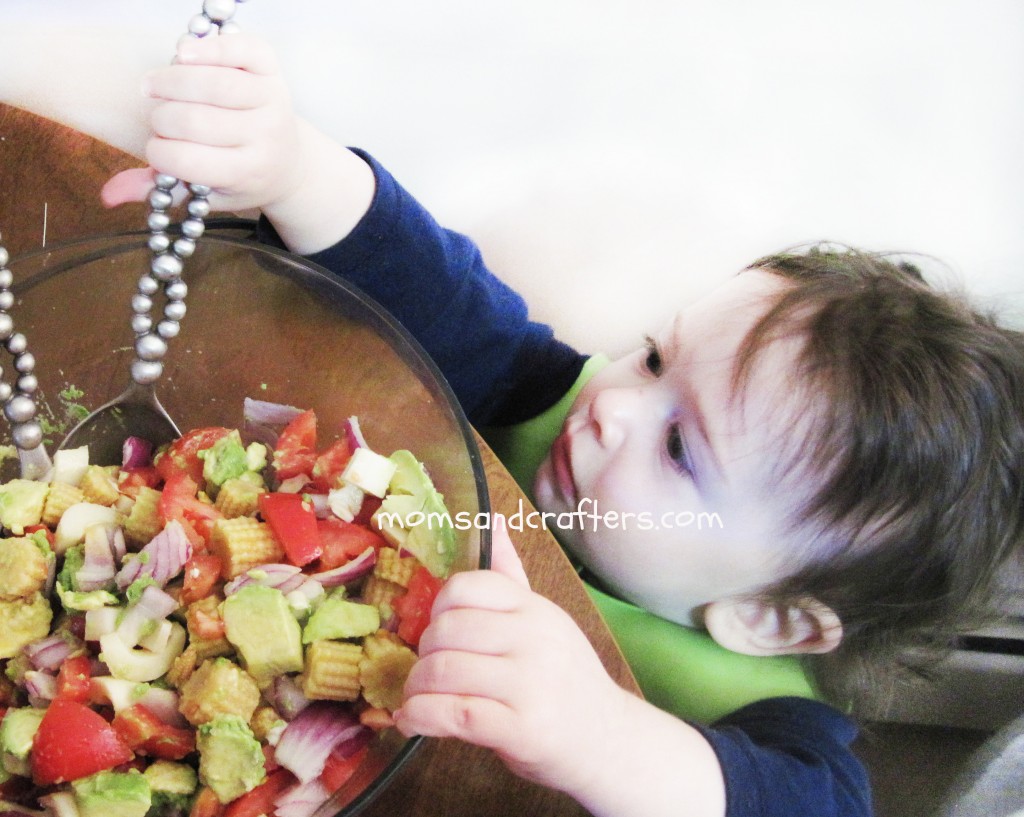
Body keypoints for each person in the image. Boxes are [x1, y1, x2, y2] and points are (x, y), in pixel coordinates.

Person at [101, 33, 1024, 817]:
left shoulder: (765, 717)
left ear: (768, 616)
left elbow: (818, 799)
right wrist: (295, 168)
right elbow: (437, 289)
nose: (615, 403)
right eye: (656, 357)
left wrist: (598, 733)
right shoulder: (550, 402)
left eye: (678, 446)